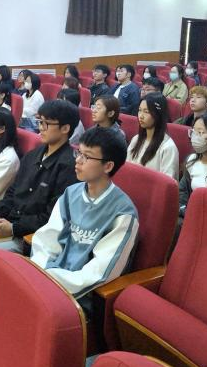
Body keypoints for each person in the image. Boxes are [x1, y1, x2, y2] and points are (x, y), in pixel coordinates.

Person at [31, 126, 139, 303]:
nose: (78, 161)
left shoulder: (123, 213)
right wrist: (40, 273)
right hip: (48, 278)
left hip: (78, 297)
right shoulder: (70, 194)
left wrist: (49, 280)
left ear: (108, 166)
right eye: (78, 153)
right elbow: (47, 240)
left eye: (86, 156)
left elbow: (99, 273)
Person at [0, 100, 80, 253]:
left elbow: (51, 217)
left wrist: (14, 228)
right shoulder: (33, 155)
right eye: (39, 122)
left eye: (46, 124)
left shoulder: (70, 168)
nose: (40, 128)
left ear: (65, 128)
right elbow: (13, 191)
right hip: (8, 223)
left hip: (30, 238)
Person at [128, 94, 179, 179]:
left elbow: (167, 183)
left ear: (158, 115)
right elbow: (127, 169)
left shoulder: (168, 148)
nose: (141, 116)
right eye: (140, 110)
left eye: (146, 112)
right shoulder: (136, 139)